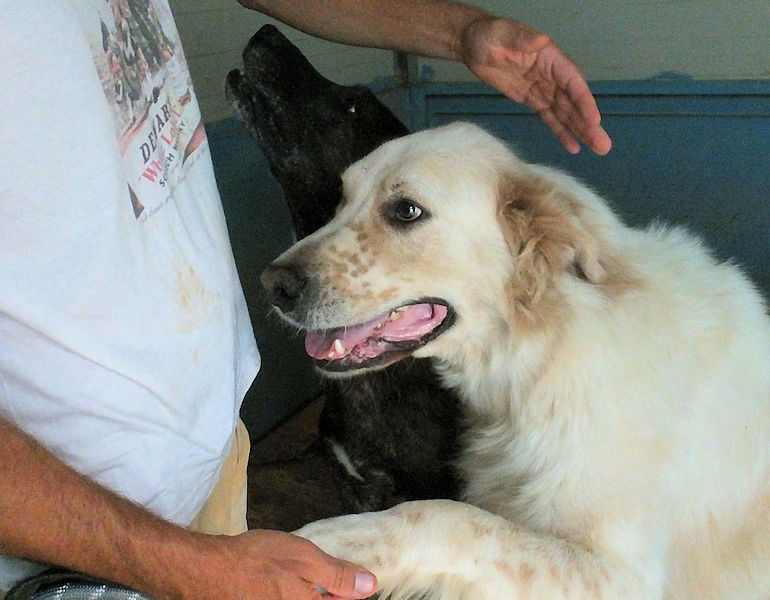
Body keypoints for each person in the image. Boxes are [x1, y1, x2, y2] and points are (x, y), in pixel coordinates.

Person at [0, 1, 610, 599]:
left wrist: (463, 31)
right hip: (66, 542)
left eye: (405, 212)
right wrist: (183, 567)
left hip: (209, 455)